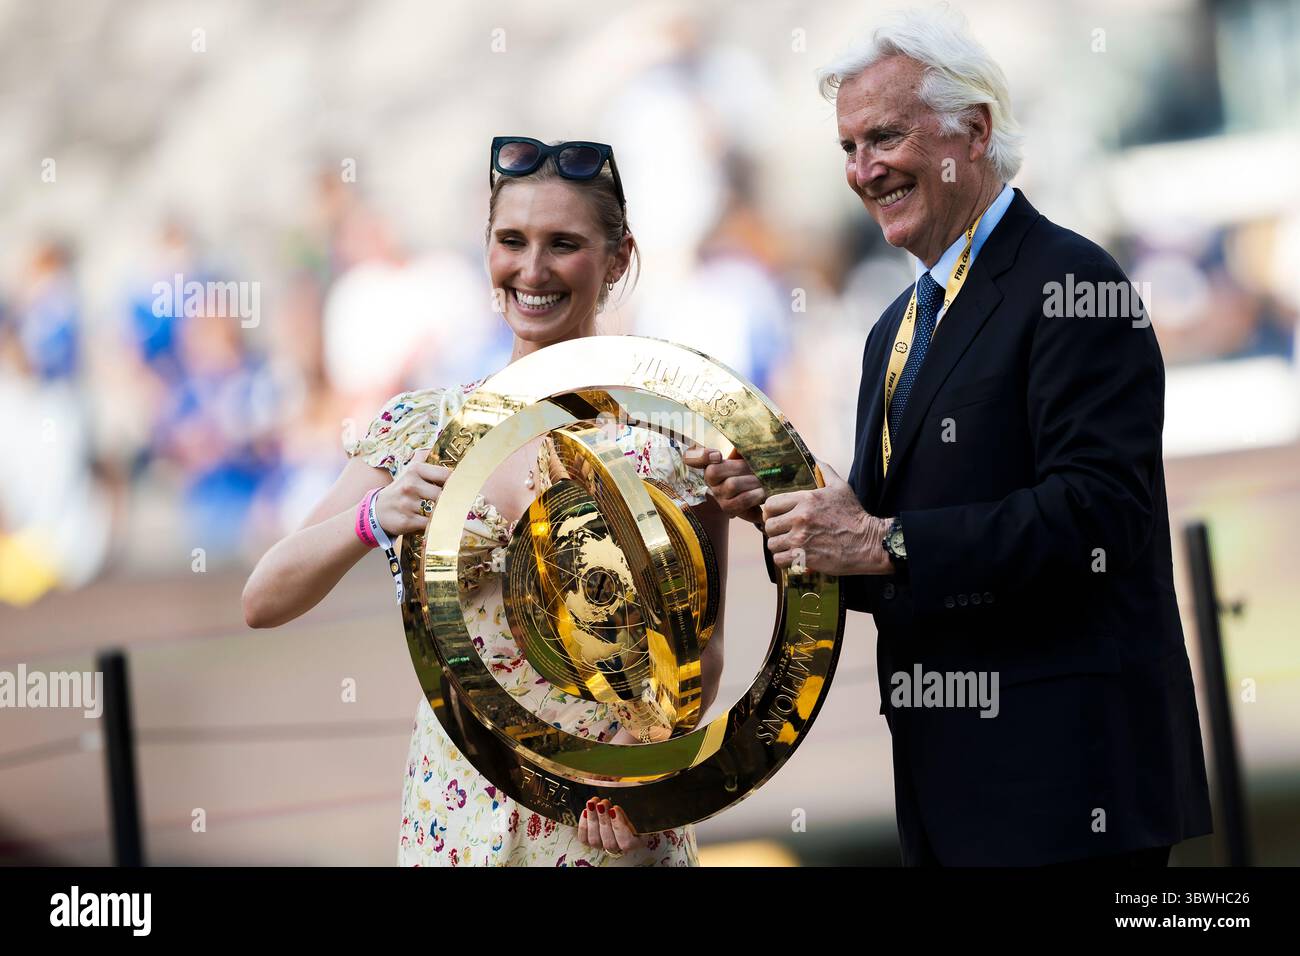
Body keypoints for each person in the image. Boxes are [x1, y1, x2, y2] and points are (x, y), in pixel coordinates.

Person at [685, 9, 1213, 866]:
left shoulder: (1074, 281)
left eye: (885, 137)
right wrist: (787, 514)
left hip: (1069, 789)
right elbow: (888, 561)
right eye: (849, 148)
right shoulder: (893, 324)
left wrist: (878, 538)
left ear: (974, 131)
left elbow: (1099, 518)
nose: (864, 170)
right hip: (947, 786)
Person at [243, 136, 727, 866]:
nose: (532, 269)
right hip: (453, 825)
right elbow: (264, 598)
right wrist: (373, 519)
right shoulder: (418, 428)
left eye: (563, 243)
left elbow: (704, 655)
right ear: (487, 250)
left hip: (606, 830)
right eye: (512, 240)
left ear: (618, 259)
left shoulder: (672, 439)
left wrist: (633, 770)